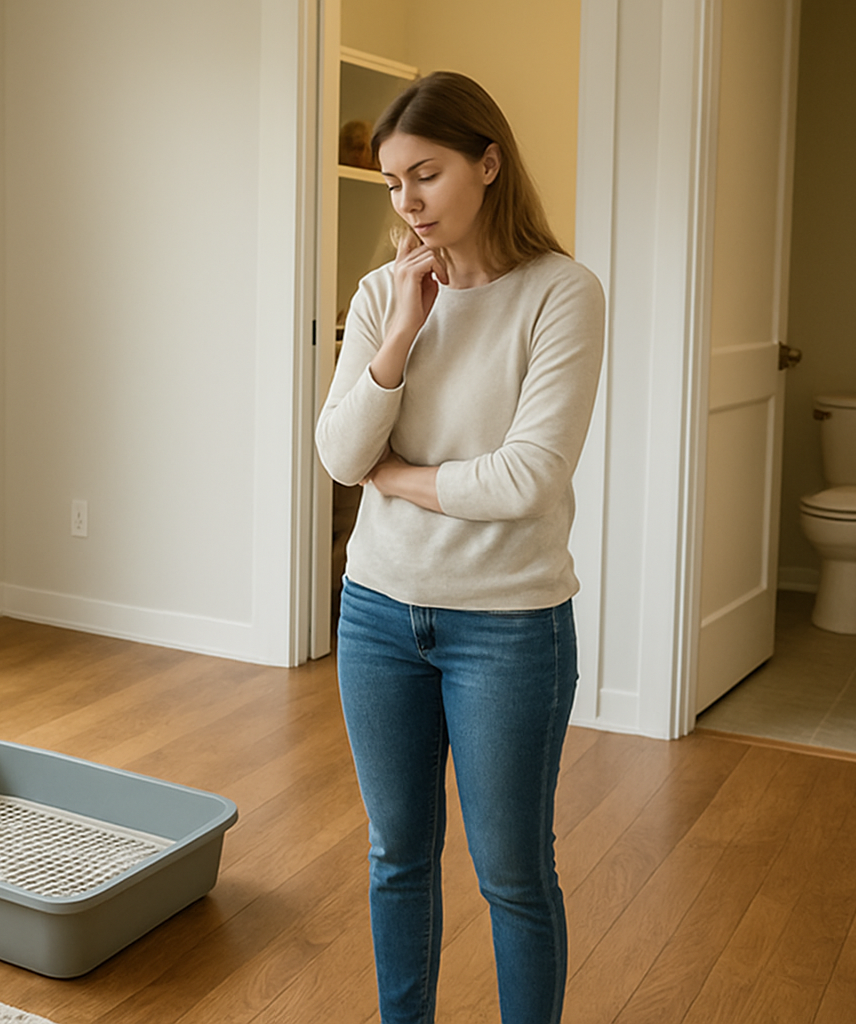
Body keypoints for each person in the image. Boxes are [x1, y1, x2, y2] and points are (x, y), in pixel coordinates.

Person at [314, 71, 604, 1024]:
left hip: (510, 628)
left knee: (513, 872)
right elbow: (337, 452)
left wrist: (394, 480)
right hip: (377, 615)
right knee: (397, 855)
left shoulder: (562, 294)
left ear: (488, 163)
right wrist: (400, 331)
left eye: (425, 175)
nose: (408, 202)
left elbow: (526, 479)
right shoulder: (381, 292)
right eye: (394, 183)